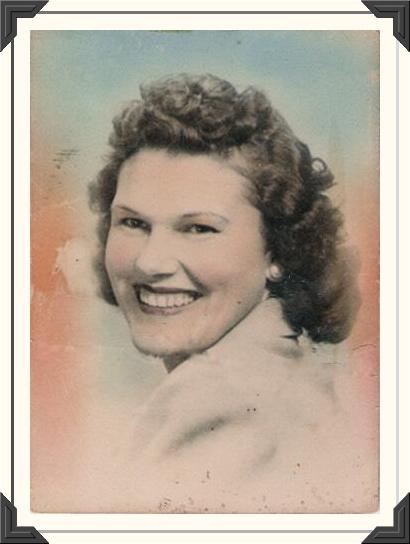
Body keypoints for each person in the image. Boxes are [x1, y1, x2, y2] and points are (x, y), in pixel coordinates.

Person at [88, 73, 378, 513]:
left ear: (277, 250)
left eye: (198, 229)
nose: (149, 262)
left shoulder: (217, 407)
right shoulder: (288, 375)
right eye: (133, 223)